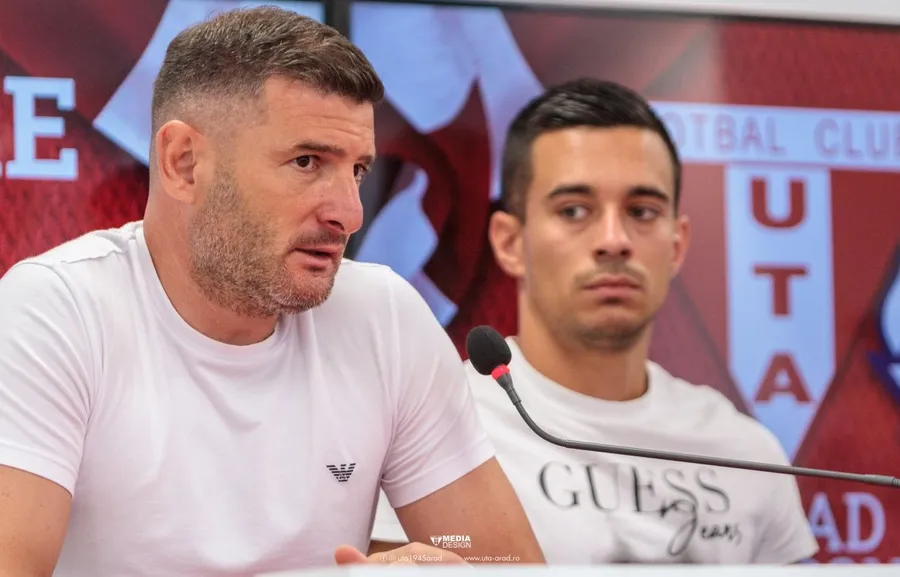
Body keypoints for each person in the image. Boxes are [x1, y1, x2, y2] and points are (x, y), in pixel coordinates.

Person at [0, 7, 544, 576]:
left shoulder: (384, 316)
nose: (350, 214)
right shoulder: (56, 313)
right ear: (184, 163)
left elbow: (507, 566)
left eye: (358, 171)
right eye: (307, 162)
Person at [369, 78, 819, 564]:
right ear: (509, 242)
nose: (613, 240)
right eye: (574, 210)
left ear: (677, 245)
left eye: (642, 211)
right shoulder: (436, 430)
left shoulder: (745, 451)